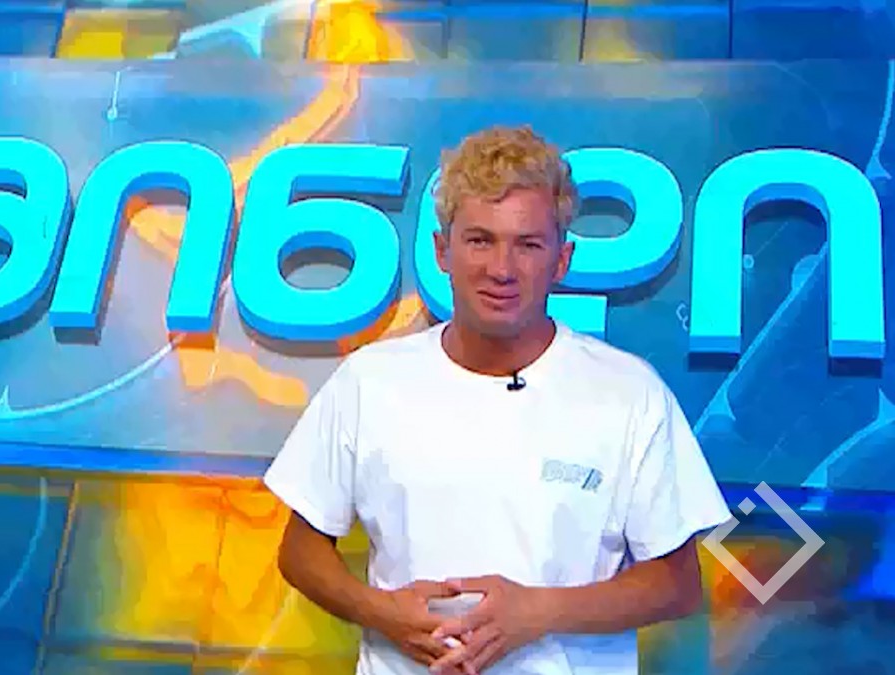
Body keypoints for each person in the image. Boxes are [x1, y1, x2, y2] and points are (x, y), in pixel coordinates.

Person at [262, 125, 732, 675]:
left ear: (562, 260)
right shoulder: (370, 381)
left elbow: (677, 584)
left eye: (528, 244)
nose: (502, 269)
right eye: (480, 240)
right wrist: (382, 612)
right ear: (442, 251)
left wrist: (537, 612)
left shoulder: (629, 394)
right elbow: (300, 550)